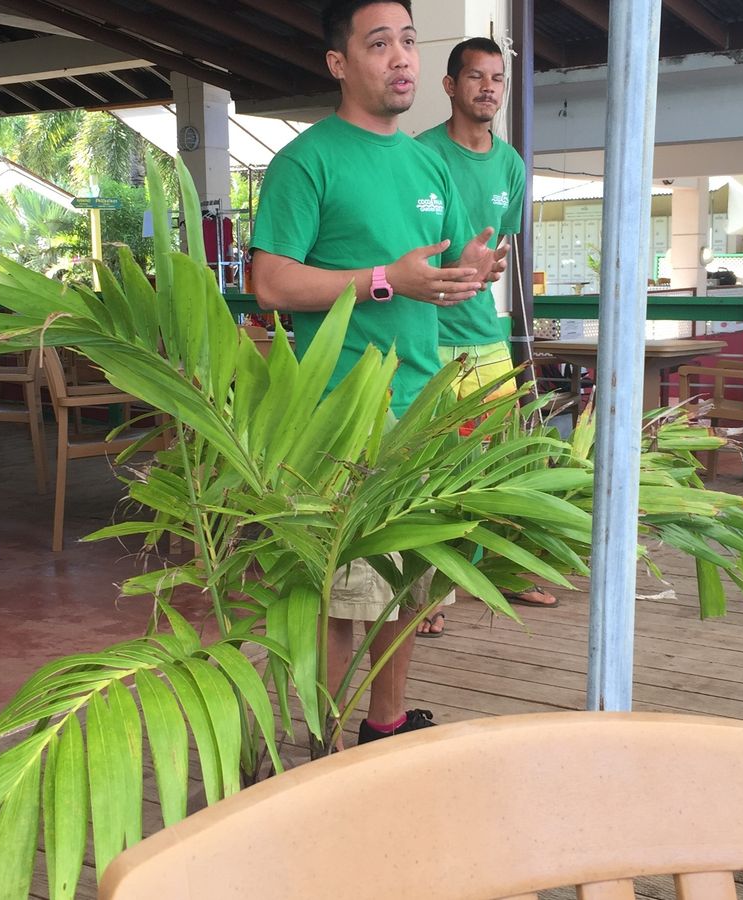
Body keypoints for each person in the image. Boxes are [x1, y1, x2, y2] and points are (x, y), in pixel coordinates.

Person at [251, 0, 506, 744]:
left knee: (406, 586)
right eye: (379, 44)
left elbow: (437, 269)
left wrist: (471, 271)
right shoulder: (307, 161)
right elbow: (270, 283)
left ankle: (384, 724)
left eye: (409, 42)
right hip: (340, 415)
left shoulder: (428, 164)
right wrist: (385, 280)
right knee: (342, 594)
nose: (401, 58)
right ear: (339, 63)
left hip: (421, 405)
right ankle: (321, 745)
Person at [416, 37, 558, 628]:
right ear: (450, 85)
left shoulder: (511, 166)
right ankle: (426, 596)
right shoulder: (419, 154)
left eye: (497, 78)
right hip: (424, 337)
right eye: (476, 76)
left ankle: (499, 572)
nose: (489, 88)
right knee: (426, 469)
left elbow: (497, 250)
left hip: (485, 337)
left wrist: (487, 268)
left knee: (499, 462)